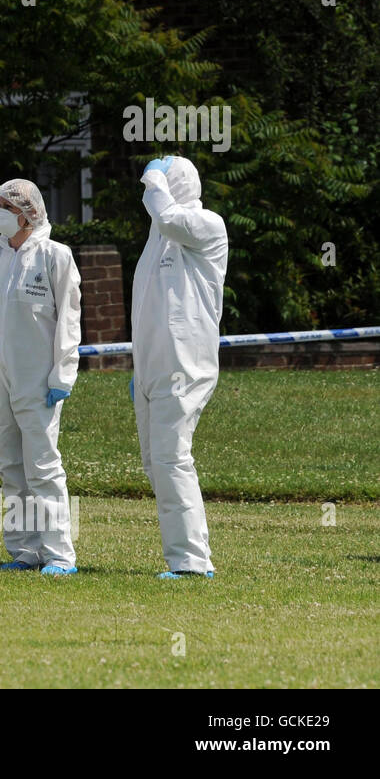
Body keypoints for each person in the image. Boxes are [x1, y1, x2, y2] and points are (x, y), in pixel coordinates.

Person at [0, 180, 81, 575]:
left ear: (27, 211)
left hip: (37, 380)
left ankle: (59, 554)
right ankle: (24, 550)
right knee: (9, 467)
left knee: (43, 467)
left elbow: (69, 318)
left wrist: (62, 372)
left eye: (5, 205)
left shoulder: (54, 256)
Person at [130, 155, 228, 579]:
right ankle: (189, 551)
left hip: (185, 366)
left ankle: (191, 563)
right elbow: (150, 307)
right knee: (157, 464)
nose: (151, 190)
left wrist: (154, 178)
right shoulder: (158, 238)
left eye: (159, 182)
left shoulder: (206, 224)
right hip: (152, 368)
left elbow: (170, 216)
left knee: (172, 459)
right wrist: (139, 369)